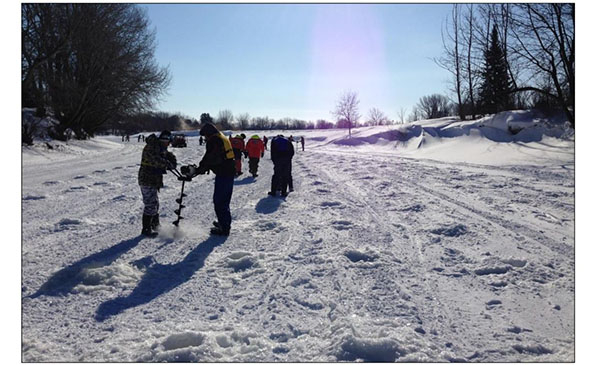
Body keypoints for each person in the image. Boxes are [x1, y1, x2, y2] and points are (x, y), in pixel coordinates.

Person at [198, 123, 236, 236]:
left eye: (205, 136)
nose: (205, 138)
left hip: (224, 173)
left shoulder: (214, 140)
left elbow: (210, 157)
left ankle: (224, 228)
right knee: (224, 200)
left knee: (220, 201)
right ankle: (224, 223)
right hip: (228, 171)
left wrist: (201, 168)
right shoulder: (221, 137)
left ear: (209, 134)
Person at [138, 130, 177, 237]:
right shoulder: (151, 146)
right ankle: (146, 229)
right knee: (150, 204)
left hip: (153, 179)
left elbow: (166, 156)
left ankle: (155, 225)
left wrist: (172, 159)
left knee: (155, 203)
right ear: (163, 140)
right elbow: (154, 159)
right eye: (167, 142)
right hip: (147, 179)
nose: (168, 144)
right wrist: (167, 163)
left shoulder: (160, 148)